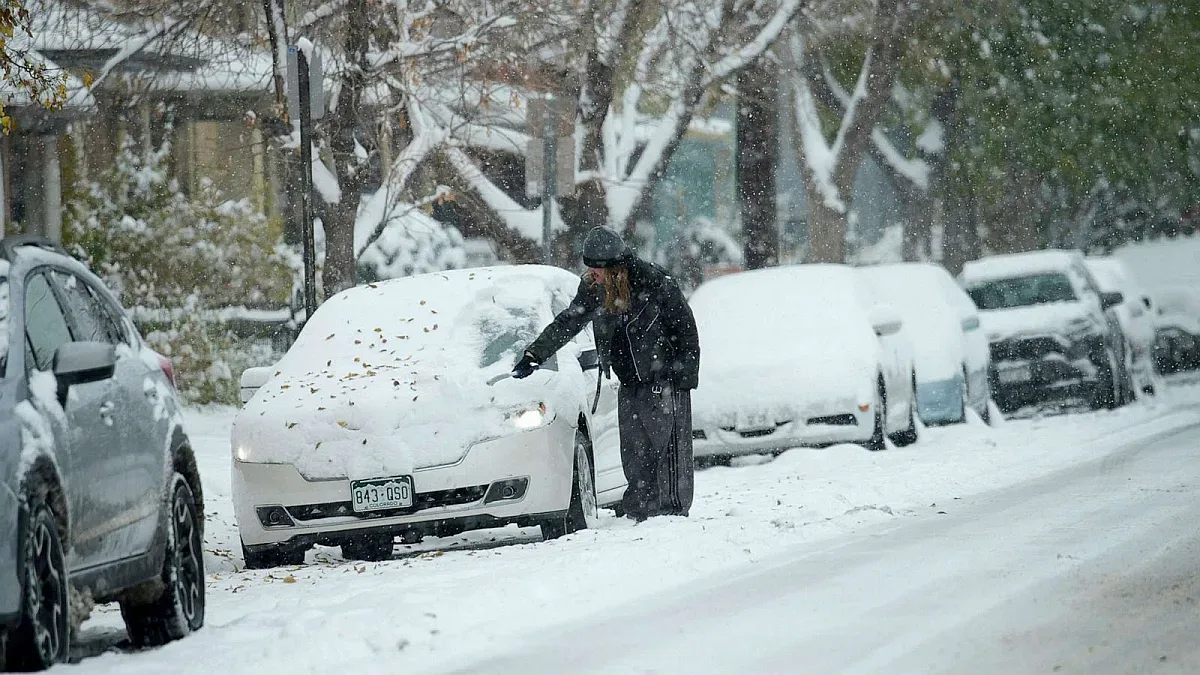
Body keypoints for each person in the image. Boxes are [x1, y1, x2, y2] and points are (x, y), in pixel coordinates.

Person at [512, 226, 700, 521]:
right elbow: (568, 322)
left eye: (597, 270)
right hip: (629, 383)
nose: (591, 276)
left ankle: (672, 512)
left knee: (669, 452)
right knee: (636, 452)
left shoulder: (655, 283)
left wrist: (682, 377)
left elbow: (686, 330)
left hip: (665, 381)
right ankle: (640, 510)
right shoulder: (594, 289)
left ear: (615, 270)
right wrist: (534, 354)